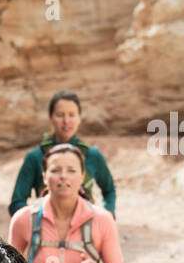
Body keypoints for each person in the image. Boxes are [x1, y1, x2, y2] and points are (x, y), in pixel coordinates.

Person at [8, 90, 116, 218]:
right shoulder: (35, 157)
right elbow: (17, 202)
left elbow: (109, 190)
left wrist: (107, 217)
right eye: (60, 115)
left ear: (79, 118)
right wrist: (34, 221)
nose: (66, 121)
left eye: (72, 115)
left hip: (86, 228)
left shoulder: (92, 155)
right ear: (51, 117)